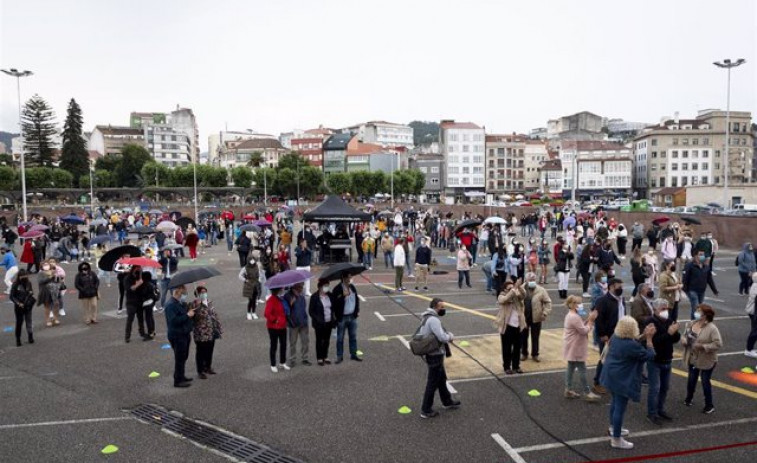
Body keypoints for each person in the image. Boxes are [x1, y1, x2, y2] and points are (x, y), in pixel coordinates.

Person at [600, 316, 657, 450]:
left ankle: (614, 428)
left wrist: (644, 335)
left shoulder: (615, 336)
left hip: (610, 375)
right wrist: (649, 339)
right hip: (622, 379)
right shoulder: (631, 345)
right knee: (620, 407)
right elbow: (650, 355)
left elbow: (634, 340)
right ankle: (616, 439)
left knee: (614, 403)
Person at [418, 298, 460, 419]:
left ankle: (447, 401)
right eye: (442, 307)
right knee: (432, 382)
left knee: (441, 379)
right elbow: (442, 337)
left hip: (433, 353)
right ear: (436, 307)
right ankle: (425, 409)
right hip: (435, 354)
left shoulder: (426, 317)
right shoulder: (433, 320)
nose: (443, 309)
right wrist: (450, 336)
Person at [642, 298, 680, 425]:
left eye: (667, 309)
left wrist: (675, 332)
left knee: (665, 387)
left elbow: (675, 339)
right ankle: (651, 413)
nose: (666, 311)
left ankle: (660, 409)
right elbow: (654, 342)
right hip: (655, 360)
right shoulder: (650, 322)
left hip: (667, 359)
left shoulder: (669, 320)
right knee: (655, 388)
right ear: (655, 310)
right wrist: (669, 333)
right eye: (662, 309)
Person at [682, 304, 722, 414]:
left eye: (699, 311)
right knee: (691, 380)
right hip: (693, 358)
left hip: (707, 360)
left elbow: (718, 344)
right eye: (697, 311)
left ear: (705, 315)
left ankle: (709, 405)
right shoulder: (691, 324)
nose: (696, 313)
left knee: (705, 382)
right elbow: (685, 336)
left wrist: (703, 346)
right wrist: (684, 340)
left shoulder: (712, 328)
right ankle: (688, 399)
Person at [563, 295, 600, 401]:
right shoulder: (574, 317)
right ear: (573, 305)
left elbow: (581, 326)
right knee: (582, 369)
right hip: (576, 347)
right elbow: (584, 330)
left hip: (572, 345)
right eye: (579, 303)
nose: (581, 305)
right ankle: (587, 392)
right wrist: (591, 321)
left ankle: (568, 389)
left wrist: (588, 319)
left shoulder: (572, 315)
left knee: (570, 367)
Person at [593, 278, 626, 394]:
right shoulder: (602, 300)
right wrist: (602, 334)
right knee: (605, 359)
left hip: (620, 334)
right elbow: (599, 319)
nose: (620, 289)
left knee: (616, 359)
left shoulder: (621, 299)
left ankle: (610, 380)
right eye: (618, 286)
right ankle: (597, 382)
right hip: (608, 335)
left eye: (621, 286)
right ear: (611, 287)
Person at [164, 284, 195, 387]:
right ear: (177, 292)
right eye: (183, 292)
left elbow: (187, 308)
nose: (185, 294)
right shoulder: (171, 305)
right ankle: (178, 380)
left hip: (184, 333)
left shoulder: (180, 303)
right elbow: (173, 321)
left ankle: (181, 375)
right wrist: (187, 315)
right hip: (177, 335)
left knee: (184, 356)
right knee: (180, 357)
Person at [495, 279, 526, 374]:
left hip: (518, 326)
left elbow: (523, 295)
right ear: (505, 289)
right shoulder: (502, 295)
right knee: (507, 348)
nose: (512, 289)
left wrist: (519, 287)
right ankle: (507, 367)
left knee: (517, 348)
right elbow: (504, 300)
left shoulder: (516, 296)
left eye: (512, 286)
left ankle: (516, 366)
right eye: (509, 288)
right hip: (507, 327)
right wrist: (514, 289)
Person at [192, 286, 222, 379]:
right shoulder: (194, 304)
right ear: (197, 294)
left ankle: (208, 367)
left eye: (205, 292)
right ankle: (200, 370)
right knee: (200, 352)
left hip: (211, 331)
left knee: (210, 350)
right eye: (202, 292)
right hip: (201, 333)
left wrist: (218, 327)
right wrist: (197, 307)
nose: (204, 294)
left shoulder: (209, 302)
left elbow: (214, 314)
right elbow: (194, 318)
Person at [521, 272, 552, 362]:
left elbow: (548, 302)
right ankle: (524, 353)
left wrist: (545, 312)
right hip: (524, 317)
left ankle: (535, 354)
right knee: (523, 336)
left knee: (535, 337)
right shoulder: (521, 289)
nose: (532, 281)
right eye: (530, 280)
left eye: (533, 280)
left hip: (537, 317)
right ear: (526, 280)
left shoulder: (541, 290)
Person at [332, 273, 362, 364]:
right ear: (343, 278)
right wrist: (342, 296)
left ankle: (353, 354)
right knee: (340, 338)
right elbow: (334, 303)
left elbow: (356, 300)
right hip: (342, 317)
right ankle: (339, 356)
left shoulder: (352, 287)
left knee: (353, 337)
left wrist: (357, 311)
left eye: (350, 277)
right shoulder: (337, 289)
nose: (350, 279)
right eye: (348, 277)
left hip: (352, 316)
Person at [682, 249, 718, 320]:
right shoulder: (689, 266)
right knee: (696, 307)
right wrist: (684, 290)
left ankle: (695, 321)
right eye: (700, 254)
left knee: (699, 307)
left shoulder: (706, 267)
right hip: (692, 290)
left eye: (703, 255)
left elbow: (709, 279)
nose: (703, 256)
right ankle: (693, 323)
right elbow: (685, 278)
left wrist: (715, 290)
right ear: (695, 256)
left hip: (702, 291)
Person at [309, 279, 336, 365]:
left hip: (329, 321)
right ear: (320, 287)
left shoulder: (330, 295)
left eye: (328, 286)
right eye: (325, 286)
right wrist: (318, 319)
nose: (327, 288)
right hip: (319, 323)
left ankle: (325, 356)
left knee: (327, 340)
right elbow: (311, 311)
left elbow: (334, 306)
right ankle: (319, 358)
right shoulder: (314, 297)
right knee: (319, 340)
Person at [264, 286, 290, 373]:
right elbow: (267, 313)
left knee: (283, 345)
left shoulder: (281, 299)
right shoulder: (271, 300)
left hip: (283, 326)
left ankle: (282, 362)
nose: (283, 291)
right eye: (281, 289)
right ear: (277, 290)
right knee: (274, 346)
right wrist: (275, 320)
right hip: (273, 327)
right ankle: (273, 364)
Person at [286, 282, 310, 367]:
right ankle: (292, 359)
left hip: (303, 322)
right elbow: (285, 310)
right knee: (292, 343)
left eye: (302, 286)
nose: (302, 288)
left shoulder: (302, 295)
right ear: (295, 287)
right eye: (300, 286)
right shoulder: (288, 296)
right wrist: (290, 304)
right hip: (293, 324)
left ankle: (305, 358)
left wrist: (305, 319)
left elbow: (304, 308)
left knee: (305, 341)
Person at [124, 265, 149, 342]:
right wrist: (138, 284)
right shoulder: (127, 278)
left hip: (140, 301)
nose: (139, 270)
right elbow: (129, 289)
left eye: (140, 269)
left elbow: (144, 288)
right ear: (134, 269)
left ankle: (142, 333)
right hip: (131, 302)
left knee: (141, 319)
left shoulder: (140, 277)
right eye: (138, 269)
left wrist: (142, 283)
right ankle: (127, 336)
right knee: (130, 319)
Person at [10, 269, 34, 346]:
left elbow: (31, 291)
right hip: (19, 307)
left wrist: (31, 293)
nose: (24, 278)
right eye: (22, 276)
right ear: (19, 276)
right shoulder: (15, 284)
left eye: (25, 276)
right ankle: (18, 339)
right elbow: (12, 296)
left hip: (28, 305)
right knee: (19, 323)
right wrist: (18, 303)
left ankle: (30, 337)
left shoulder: (28, 283)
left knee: (29, 321)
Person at [140, 271, 158, 338]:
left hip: (147, 303)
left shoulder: (145, 285)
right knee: (150, 317)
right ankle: (152, 331)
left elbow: (143, 294)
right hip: (151, 302)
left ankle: (150, 333)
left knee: (148, 318)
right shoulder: (151, 284)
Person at [744, 273, 757, 358]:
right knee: (755, 331)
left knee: (754, 330)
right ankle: (749, 350)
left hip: (752, 311)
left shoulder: (754, 285)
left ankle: (750, 349)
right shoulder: (756, 287)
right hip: (754, 312)